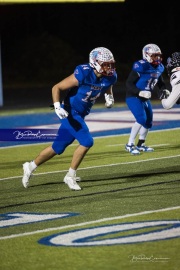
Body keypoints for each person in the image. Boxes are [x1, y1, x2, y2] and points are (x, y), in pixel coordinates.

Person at [22, 47, 117, 190]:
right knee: (87, 141)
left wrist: (109, 96)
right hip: (69, 112)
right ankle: (70, 176)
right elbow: (57, 87)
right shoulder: (84, 73)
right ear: (95, 63)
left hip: (81, 114)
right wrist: (57, 107)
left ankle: (30, 166)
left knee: (57, 148)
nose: (109, 67)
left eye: (110, 64)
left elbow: (107, 85)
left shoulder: (111, 76)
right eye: (105, 64)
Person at [125, 43, 168, 155]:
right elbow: (129, 83)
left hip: (145, 98)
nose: (157, 58)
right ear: (147, 55)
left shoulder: (160, 67)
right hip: (133, 97)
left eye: (158, 55)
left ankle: (141, 144)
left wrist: (163, 89)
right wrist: (139, 92)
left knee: (148, 122)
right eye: (154, 55)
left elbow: (160, 81)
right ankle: (129, 144)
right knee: (141, 119)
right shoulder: (141, 65)